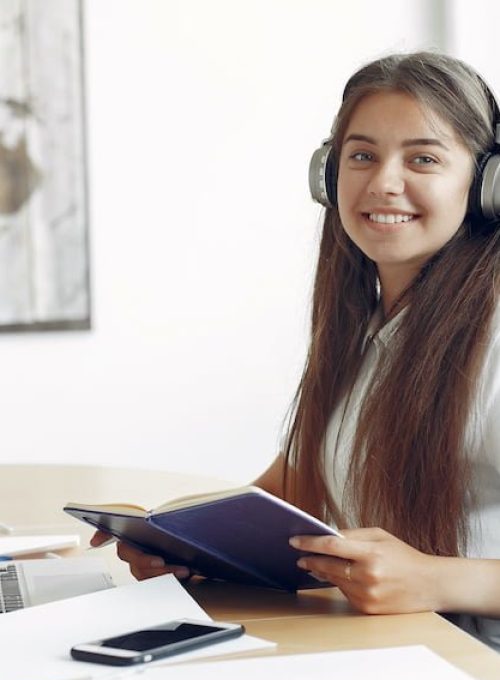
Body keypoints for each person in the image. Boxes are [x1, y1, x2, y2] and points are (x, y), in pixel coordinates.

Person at [91, 51, 500, 649]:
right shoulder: (368, 327)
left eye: (424, 158)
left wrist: (436, 579)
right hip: (392, 652)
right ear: (327, 177)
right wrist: (178, 539)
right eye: (362, 156)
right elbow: (293, 487)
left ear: (487, 184)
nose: (384, 181)